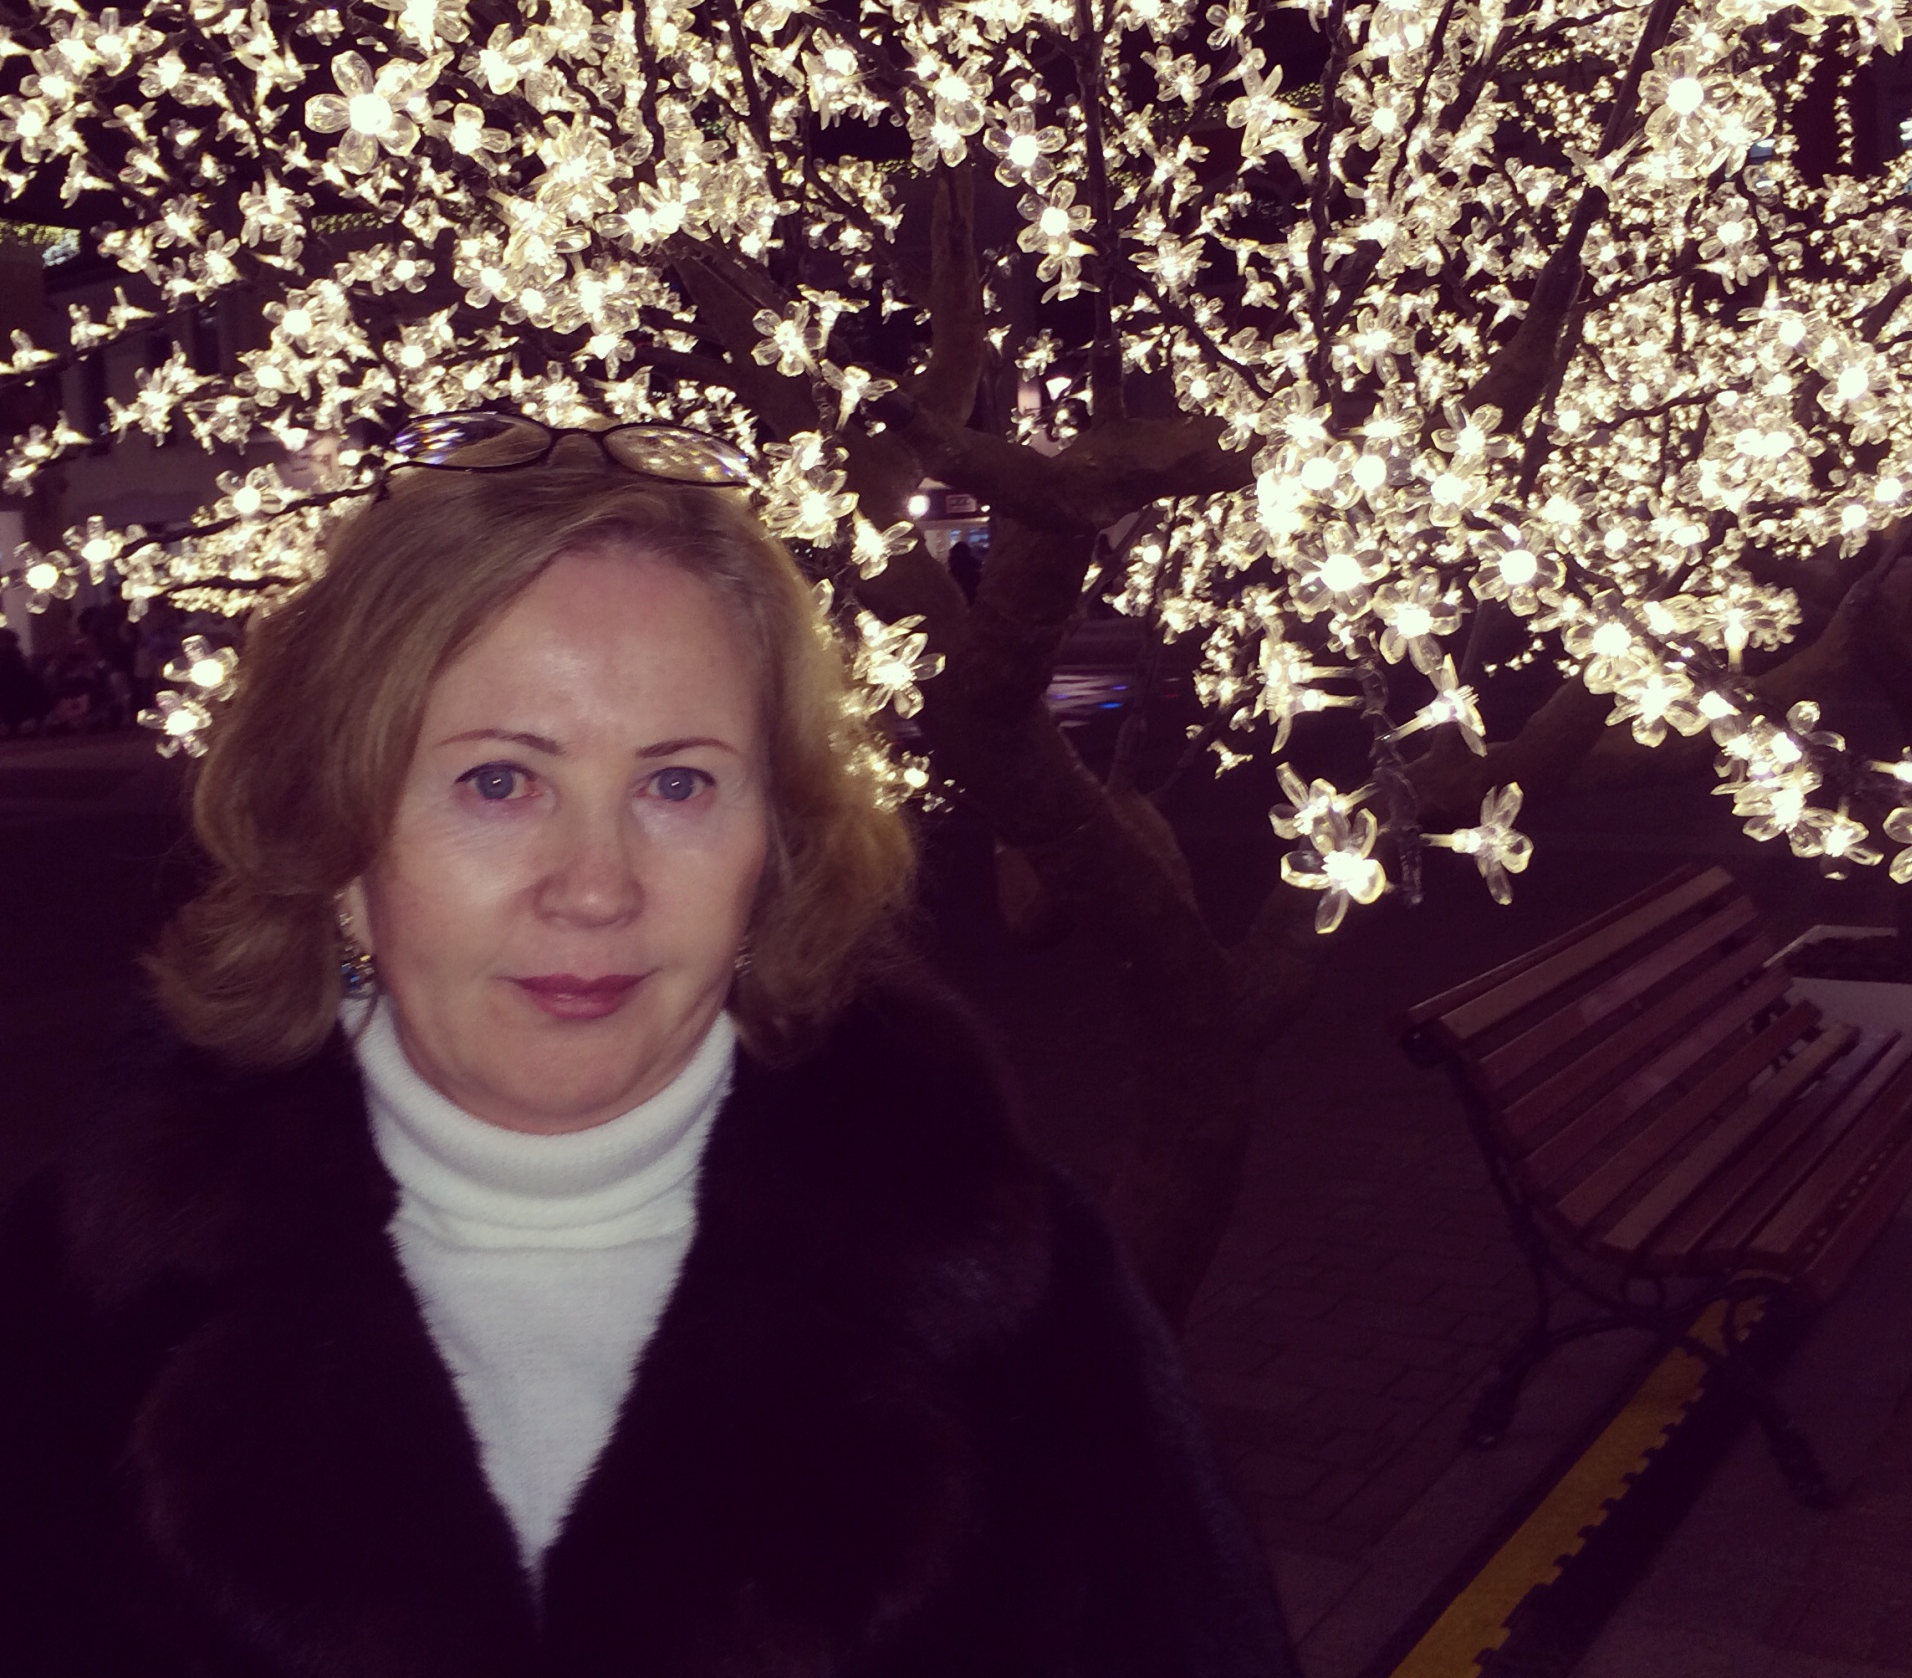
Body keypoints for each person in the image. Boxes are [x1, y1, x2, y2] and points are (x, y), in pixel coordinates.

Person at [0, 416, 1297, 1677]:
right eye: (499, 781)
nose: (595, 886)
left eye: (678, 784)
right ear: (335, 840)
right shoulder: (64, 1310)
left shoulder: (1024, 1304)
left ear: (771, 851)